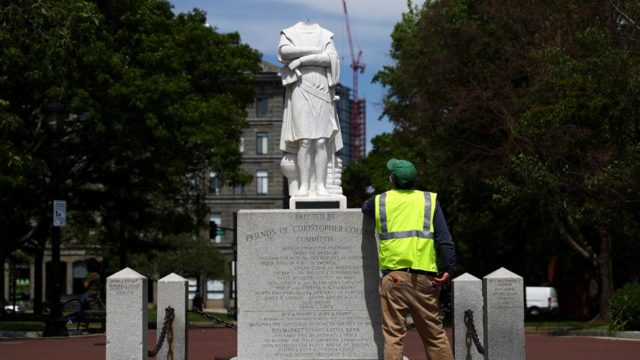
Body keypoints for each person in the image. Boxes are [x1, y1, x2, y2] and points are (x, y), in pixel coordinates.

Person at [362, 159, 456, 360]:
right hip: (424, 279)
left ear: (391, 179)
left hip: (394, 278)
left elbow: (365, 208)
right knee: (435, 336)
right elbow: (444, 239)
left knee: (393, 336)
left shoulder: (380, 201)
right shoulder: (429, 200)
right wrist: (448, 267)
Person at [278, 21, 343, 196]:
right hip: (300, 86)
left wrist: (301, 60)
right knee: (304, 141)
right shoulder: (289, 31)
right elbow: (284, 52)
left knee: (321, 141)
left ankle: (320, 185)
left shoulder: (326, 34)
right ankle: (305, 185)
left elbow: (331, 58)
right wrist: (315, 51)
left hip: (321, 87)